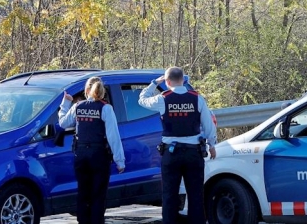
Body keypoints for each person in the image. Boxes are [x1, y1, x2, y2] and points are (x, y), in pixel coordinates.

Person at [138, 67, 217, 224]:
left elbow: (142, 99)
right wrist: (212, 144)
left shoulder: (162, 99)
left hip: (171, 154)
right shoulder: (197, 98)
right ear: (183, 80)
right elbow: (208, 125)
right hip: (194, 154)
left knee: (169, 195)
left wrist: (154, 83)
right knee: (196, 196)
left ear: (167, 82)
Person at [58, 77, 125, 224]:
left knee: (83, 193)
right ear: (102, 91)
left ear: (87, 90)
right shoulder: (106, 108)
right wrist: (120, 160)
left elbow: (63, 123)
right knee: (98, 195)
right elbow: (113, 136)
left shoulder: (78, 106)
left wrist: (66, 102)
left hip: (80, 155)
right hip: (99, 156)